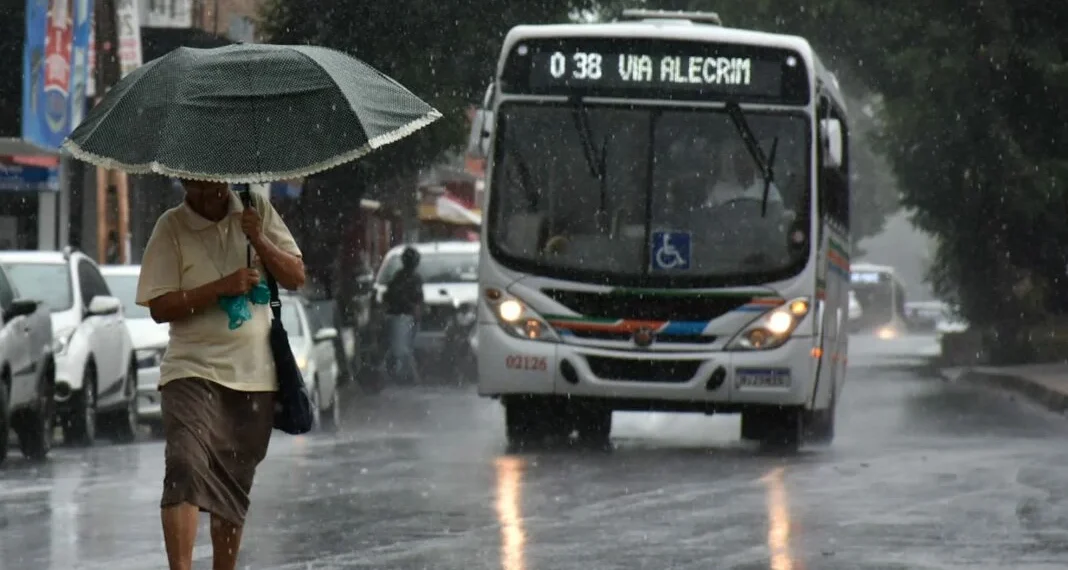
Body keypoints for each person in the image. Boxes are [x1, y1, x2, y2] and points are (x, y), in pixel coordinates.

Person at [135, 181, 304, 570]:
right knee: (185, 465)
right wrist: (220, 288)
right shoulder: (171, 226)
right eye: (194, 180)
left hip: (253, 377)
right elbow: (160, 307)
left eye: (212, 180)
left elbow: (296, 275)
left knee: (232, 483)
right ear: (183, 180)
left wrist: (258, 239)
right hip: (190, 371)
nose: (206, 189)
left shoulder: (254, 208)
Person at [382, 246, 424, 384]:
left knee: (404, 347)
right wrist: (412, 307)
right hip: (402, 316)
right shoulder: (402, 278)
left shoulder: (405, 278)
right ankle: (408, 376)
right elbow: (395, 296)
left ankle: (406, 375)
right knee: (402, 348)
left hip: (405, 316)